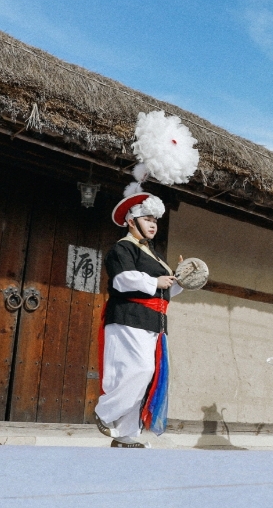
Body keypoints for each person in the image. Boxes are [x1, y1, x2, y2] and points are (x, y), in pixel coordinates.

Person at [94, 188, 182, 448]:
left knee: (142, 374)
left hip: (153, 320)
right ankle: (105, 412)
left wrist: (182, 278)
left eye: (155, 220)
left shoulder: (154, 255)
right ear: (131, 221)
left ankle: (126, 435)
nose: (153, 225)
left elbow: (168, 290)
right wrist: (156, 280)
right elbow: (122, 281)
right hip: (128, 315)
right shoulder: (122, 248)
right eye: (147, 219)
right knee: (140, 370)